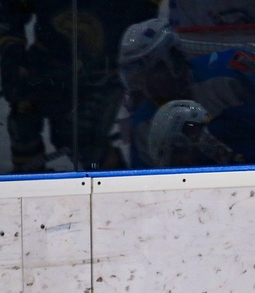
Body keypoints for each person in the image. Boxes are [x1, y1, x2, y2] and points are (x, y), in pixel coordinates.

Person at [117, 18, 255, 167]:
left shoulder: (229, 70)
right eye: (139, 80)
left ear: (173, 59)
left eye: (153, 74)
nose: (147, 88)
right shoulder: (143, 124)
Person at [0, 1, 159, 172]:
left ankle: (113, 182)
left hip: (103, 72)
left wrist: (141, 76)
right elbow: (9, 13)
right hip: (48, 62)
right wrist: (12, 56)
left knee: (84, 139)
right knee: (23, 120)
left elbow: (149, 24)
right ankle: (27, 180)